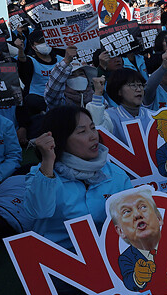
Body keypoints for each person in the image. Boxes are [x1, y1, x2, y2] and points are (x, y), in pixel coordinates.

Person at [25, 106, 133, 247]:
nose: (93, 136)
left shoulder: (115, 174)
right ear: (60, 139)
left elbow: (132, 219)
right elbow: (38, 211)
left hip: (108, 251)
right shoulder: (42, 175)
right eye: (82, 131)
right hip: (62, 256)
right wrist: (48, 161)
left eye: (93, 128)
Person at [105, 184, 167, 292]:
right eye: (127, 212)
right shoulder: (125, 258)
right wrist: (137, 278)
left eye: (143, 207)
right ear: (120, 231)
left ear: (159, 218)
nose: (137, 215)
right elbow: (129, 283)